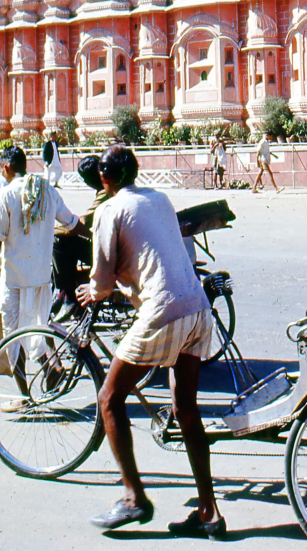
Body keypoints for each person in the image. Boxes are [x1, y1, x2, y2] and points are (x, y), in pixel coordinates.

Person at [76, 145, 226, 538]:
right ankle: (208, 512)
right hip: (197, 307)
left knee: (109, 398)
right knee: (186, 408)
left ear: (104, 179)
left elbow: (102, 281)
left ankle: (134, 498)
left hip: (163, 311)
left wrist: (93, 291)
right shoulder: (159, 198)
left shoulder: (109, 209)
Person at [0, 146, 87, 400]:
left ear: (6, 167)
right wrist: (95, 239)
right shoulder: (47, 190)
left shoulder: (6, 195)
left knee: (13, 337)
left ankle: (24, 395)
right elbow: (71, 223)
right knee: (39, 326)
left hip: (14, 279)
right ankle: (52, 367)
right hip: (41, 277)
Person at [51, 155, 110, 322]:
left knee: (59, 241)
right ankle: (64, 293)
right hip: (109, 246)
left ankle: (67, 295)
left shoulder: (106, 193)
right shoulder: (104, 191)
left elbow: (83, 222)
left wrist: (53, 230)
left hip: (110, 252)